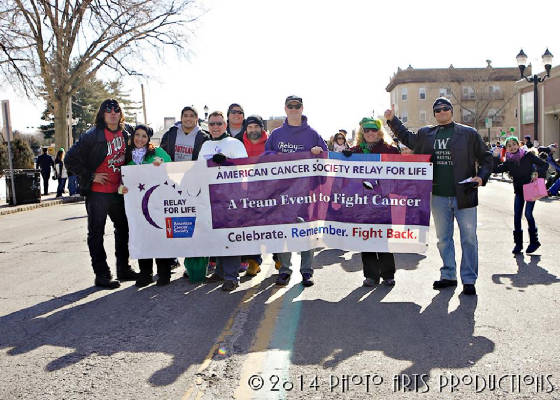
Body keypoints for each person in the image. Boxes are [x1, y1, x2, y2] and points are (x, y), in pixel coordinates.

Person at [384, 97, 493, 296]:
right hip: (438, 196)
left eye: (445, 109)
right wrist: (392, 120)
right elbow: (408, 138)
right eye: (438, 110)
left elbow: (487, 158)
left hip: (465, 194)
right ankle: (448, 275)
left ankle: (469, 280)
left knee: (469, 239)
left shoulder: (468, 133)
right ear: (434, 114)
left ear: (451, 111)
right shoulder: (427, 134)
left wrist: (481, 177)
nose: (442, 112)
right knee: (443, 239)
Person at [65, 99, 139, 289]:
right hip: (97, 193)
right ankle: (102, 274)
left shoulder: (127, 131)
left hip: (118, 191)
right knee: (96, 233)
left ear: (120, 113)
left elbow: (142, 143)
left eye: (116, 110)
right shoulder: (92, 135)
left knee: (124, 229)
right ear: (102, 114)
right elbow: (70, 159)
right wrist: (91, 176)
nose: (113, 113)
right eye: (108, 111)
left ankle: (123, 268)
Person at [265, 95, 328, 287]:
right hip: (283, 192)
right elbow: (266, 158)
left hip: (307, 193)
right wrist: (276, 155)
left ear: (302, 108)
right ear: (285, 109)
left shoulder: (313, 134)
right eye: (290, 106)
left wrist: (319, 152)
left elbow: (327, 160)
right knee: (284, 231)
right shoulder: (276, 135)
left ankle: (307, 272)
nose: (293, 109)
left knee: (307, 232)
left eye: (297, 106)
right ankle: (284, 270)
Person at [343, 118, 400, 286]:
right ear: (362, 133)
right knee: (365, 238)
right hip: (362, 202)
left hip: (383, 201)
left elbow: (402, 173)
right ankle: (371, 276)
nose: (369, 133)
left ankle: (388, 274)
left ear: (379, 131)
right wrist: (345, 157)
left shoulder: (391, 150)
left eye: (373, 130)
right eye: (366, 130)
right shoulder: (355, 151)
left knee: (383, 237)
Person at [198, 111, 248, 292]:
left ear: (225, 125)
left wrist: (226, 162)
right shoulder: (205, 145)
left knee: (230, 237)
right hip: (211, 197)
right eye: (212, 124)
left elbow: (245, 169)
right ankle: (219, 271)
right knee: (216, 236)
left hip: (231, 197)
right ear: (208, 126)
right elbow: (199, 169)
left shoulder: (235, 144)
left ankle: (232, 277)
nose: (215, 127)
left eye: (219, 123)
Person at [120, 124, 174, 287]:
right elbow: (122, 180)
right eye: (137, 135)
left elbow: (170, 167)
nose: (140, 139)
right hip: (137, 206)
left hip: (157, 202)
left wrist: (160, 164)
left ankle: (164, 273)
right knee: (142, 238)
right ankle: (145, 274)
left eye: (144, 136)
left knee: (159, 237)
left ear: (148, 139)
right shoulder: (127, 156)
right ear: (133, 136)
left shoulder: (157, 152)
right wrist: (121, 188)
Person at [160, 106, 210, 275]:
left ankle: (193, 261)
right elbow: (162, 154)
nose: (188, 119)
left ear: (196, 119)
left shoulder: (203, 136)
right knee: (172, 219)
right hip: (172, 181)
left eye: (191, 116)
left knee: (192, 222)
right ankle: (171, 258)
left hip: (194, 182)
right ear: (181, 117)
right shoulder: (171, 134)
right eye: (185, 116)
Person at [494, 136, 548, 254]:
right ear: (506, 149)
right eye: (509, 146)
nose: (512, 147)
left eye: (514, 144)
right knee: (517, 216)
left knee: (528, 214)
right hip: (519, 191)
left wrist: (536, 174)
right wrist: (495, 156)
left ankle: (534, 242)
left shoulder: (527, 155)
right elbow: (495, 169)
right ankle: (518, 245)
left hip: (530, 188)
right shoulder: (509, 161)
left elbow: (544, 165)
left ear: (518, 145)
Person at [235, 114, 268, 276]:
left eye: (256, 126)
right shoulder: (239, 144)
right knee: (251, 228)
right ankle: (254, 261)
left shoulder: (271, 143)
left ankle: (279, 258)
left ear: (261, 128)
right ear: (245, 128)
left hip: (269, 191)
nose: (253, 130)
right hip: (246, 192)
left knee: (272, 225)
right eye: (250, 127)